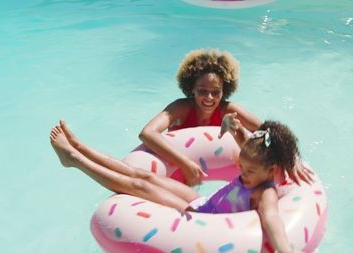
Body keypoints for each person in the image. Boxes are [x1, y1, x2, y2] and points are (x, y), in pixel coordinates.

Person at [50, 118, 307, 253]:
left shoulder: (266, 193)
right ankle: (80, 147)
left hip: (202, 216)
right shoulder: (256, 162)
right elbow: (244, 140)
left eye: (248, 171)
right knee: (146, 175)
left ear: (272, 170)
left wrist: (285, 249)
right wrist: (233, 126)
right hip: (206, 203)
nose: (243, 173)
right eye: (241, 166)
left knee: (140, 185)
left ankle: (75, 160)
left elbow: (272, 219)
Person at [139, 48, 261, 186]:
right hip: (175, 170)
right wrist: (184, 163)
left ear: (224, 91)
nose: (209, 98)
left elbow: (266, 132)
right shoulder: (181, 108)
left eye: (216, 92)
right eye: (202, 91)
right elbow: (147, 133)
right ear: (192, 88)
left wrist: (239, 131)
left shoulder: (228, 111)